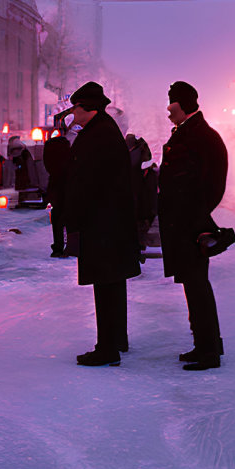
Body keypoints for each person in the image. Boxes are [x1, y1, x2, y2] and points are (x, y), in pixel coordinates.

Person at [63, 82, 141, 367]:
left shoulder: (99, 135)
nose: (73, 112)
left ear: (89, 108)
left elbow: (87, 180)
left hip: (102, 223)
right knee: (112, 282)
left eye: (76, 107)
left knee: (105, 285)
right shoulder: (104, 130)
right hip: (110, 221)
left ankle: (107, 347)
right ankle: (116, 338)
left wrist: (76, 213)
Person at [158, 81, 228, 371]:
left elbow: (206, 183)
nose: (167, 110)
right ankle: (205, 345)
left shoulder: (198, 135)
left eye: (171, 103)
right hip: (187, 221)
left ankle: (208, 351)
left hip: (190, 223)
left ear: (181, 104)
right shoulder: (193, 132)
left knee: (197, 287)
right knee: (194, 285)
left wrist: (195, 216)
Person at [42, 132, 71, 257]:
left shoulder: (50, 152)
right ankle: (69, 245)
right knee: (68, 217)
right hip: (68, 187)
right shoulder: (67, 154)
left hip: (55, 187)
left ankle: (58, 247)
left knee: (57, 218)